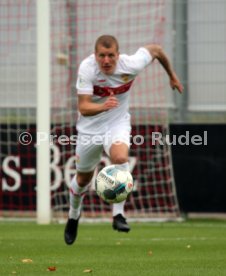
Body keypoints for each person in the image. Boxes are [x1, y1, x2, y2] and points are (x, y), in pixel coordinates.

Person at [64, 34, 183, 245]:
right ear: (95, 55)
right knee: (83, 180)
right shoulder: (87, 68)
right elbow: (83, 107)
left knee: (120, 158)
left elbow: (156, 49)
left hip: (116, 124)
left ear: (118, 55)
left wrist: (171, 75)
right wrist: (103, 106)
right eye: (102, 56)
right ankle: (73, 216)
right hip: (90, 129)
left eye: (111, 55)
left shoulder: (131, 64)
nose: (106, 61)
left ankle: (118, 215)